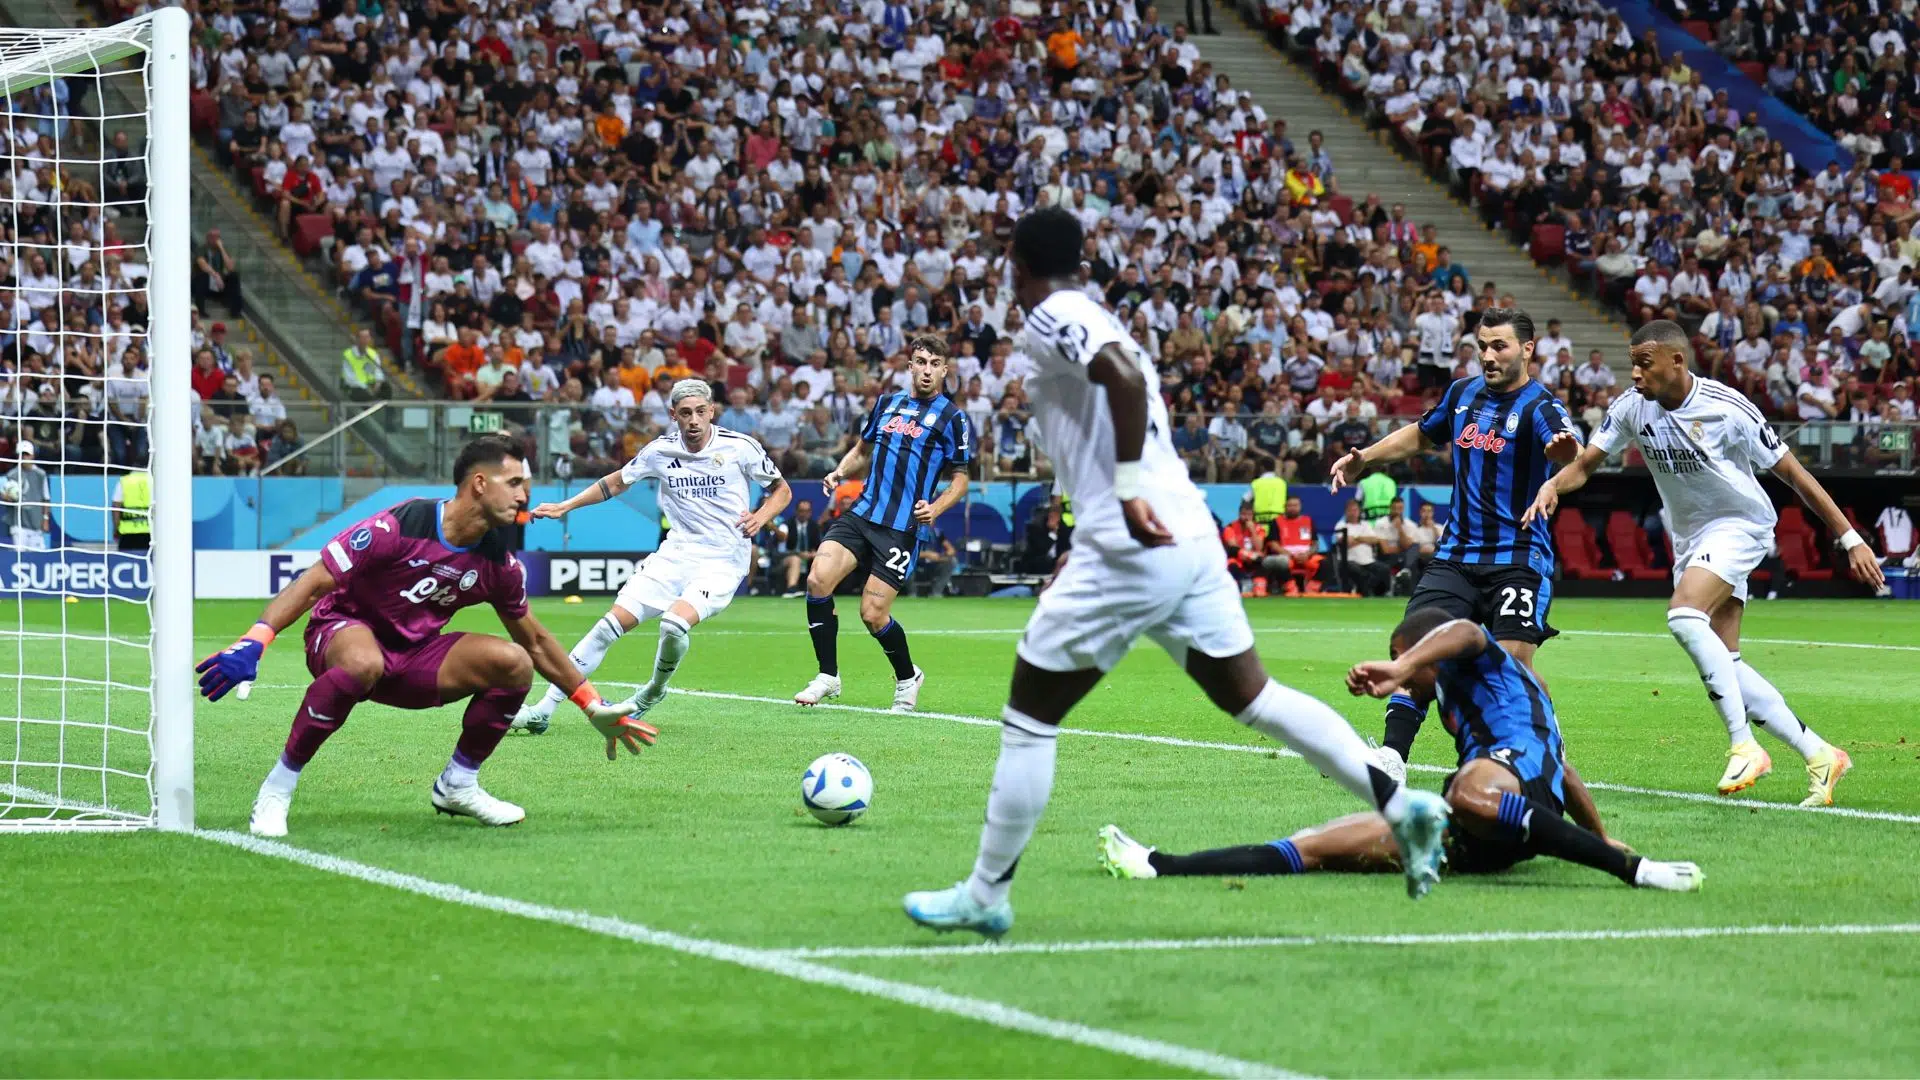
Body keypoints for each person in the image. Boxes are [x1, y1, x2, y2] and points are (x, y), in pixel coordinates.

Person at [902, 208, 1449, 938]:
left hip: (1133, 538)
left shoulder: (1049, 313)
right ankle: (1399, 803)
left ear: (1017, 264)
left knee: (1031, 719)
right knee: (1253, 697)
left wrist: (1124, 494)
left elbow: (1122, 378)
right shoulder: (1087, 311)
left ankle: (986, 894)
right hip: (1182, 534)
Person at [195, 435, 657, 838]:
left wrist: (591, 706)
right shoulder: (400, 525)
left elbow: (536, 642)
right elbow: (317, 579)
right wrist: (257, 639)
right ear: (480, 483)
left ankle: (458, 785)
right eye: (514, 483)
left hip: (413, 658)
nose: (526, 494)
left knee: (514, 662)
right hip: (341, 636)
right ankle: (277, 788)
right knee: (363, 663)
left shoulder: (499, 563)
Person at [1525, 321, 1882, 805]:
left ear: (1677, 361)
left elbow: (1795, 475)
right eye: (1631, 362)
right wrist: (1552, 484)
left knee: (1684, 616)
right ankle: (1820, 754)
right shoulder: (1631, 408)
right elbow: (1585, 464)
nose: (1634, 373)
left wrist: (1849, 538)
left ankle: (1744, 745)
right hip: (1691, 538)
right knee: (1726, 661)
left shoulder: (1727, 408)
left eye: (1644, 363)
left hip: (1740, 526)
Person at [1098, 609, 1704, 892]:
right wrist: (1597, 830)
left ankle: (1635, 873)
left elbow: (1465, 631)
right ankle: (1160, 864)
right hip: (1485, 832)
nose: (1404, 676)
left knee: (1467, 790)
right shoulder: (1465, 702)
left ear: (1425, 651)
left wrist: (1403, 663)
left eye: (1405, 656)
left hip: (1503, 792)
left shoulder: (1491, 664)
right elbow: (1568, 769)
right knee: (1317, 845)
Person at [1329, 308, 1582, 783]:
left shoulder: (1541, 406)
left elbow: (1571, 453)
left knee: (1512, 667)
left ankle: (1543, 741)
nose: (1488, 355)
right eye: (1482, 345)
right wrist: (1366, 458)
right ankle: (1391, 758)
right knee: (1415, 645)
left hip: (1517, 559)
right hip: (1457, 555)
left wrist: (1562, 455)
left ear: (1527, 349)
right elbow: (1421, 436)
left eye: (1499, 346)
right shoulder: (1462, 393)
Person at [514, 380, 791, 733]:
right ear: (673, 415)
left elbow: (781, 489)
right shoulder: (659, 451)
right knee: (607, 627)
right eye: (685, 413)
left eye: (700, 412)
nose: (693, 420)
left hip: (723, 559)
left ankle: (654, 691)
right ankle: (542, 711)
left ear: (712, 412)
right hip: (675, 553)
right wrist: (566, 506)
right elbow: (615, 482)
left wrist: (761, 516)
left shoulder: (741, 447)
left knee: (674, 624)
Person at [794, 334, 972, 713]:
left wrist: (937, 508)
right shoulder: (887, 404)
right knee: (816, 579)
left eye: (934, 364)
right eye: (920, 362)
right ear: (910, 366)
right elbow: (863, 450)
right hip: (862, 512)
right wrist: (840, 471)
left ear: (944, 370)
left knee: (872, 614)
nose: (926, 370)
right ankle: (828, 675)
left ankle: (908, 677)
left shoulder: (952, 418)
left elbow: (961, 478)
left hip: (901, 527)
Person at [4, 442, 51, 550]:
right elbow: (5, 496)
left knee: (37, 558)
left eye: (26, 454)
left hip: (36, 524)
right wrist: (7, 498)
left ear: (32, 455)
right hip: (18, 524)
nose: (24, 458)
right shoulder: (11, 474)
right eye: (21, 455)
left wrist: (45, 519)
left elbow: (46, 499)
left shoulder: (41, 474)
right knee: (19, 557)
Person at [775, 499, 824, 598]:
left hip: (808, 560)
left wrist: (813, 554)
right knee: (795, 559)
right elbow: (781, 543)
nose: (804, 514)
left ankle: (822, 591)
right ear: (796, 511)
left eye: (807, 511)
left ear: (810, 512)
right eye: (801, 511)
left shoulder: (814, 526)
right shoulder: (786, 524)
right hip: (785, 560)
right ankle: (791, 588)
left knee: (822, 558)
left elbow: (819, 546)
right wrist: (799, 554)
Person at [342, 328, 392, 403]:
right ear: (357, 339)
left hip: (371, 384)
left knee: (386, 388)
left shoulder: (372, 353)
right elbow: (349, 378)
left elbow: (378, 371)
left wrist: (378, 383)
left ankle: (389, 412)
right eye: (363, 337)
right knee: (361, 393)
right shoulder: (348, 355)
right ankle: (372, 408)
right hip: (356, 386)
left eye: (367, 337)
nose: (366, 340)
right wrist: (366, 388)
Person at [112, 467, 152, 552]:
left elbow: (116, 506)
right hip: (151, 533)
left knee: (128, 561)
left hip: (128, 534)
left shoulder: (124, 481)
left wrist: (116, 528)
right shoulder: (155, 481)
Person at [917, 525, 959, 596]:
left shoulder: (937, 532)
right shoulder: (913, 531)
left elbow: (951, 550)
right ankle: (912, 593)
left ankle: (936, 593)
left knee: (952, 561)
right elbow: (908, 552)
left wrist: (942, 556)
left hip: (934, 564)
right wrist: (927, 554)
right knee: (907, 561)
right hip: (917, 564)